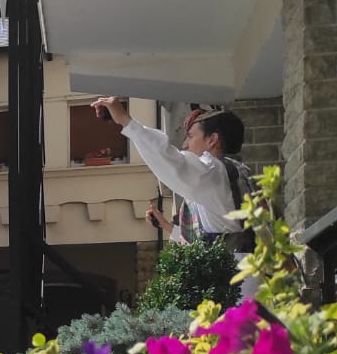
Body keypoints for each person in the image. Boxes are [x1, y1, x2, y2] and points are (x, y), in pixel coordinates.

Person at [93, 97, 258, 299]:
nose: (185, 144)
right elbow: (221, 231)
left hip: (234, 284)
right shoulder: (236, 171)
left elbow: (173, 162)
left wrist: (127, 122)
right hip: (245, 276)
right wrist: (166, 226)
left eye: (190, 136)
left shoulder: (212, 171)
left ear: (212, 140)